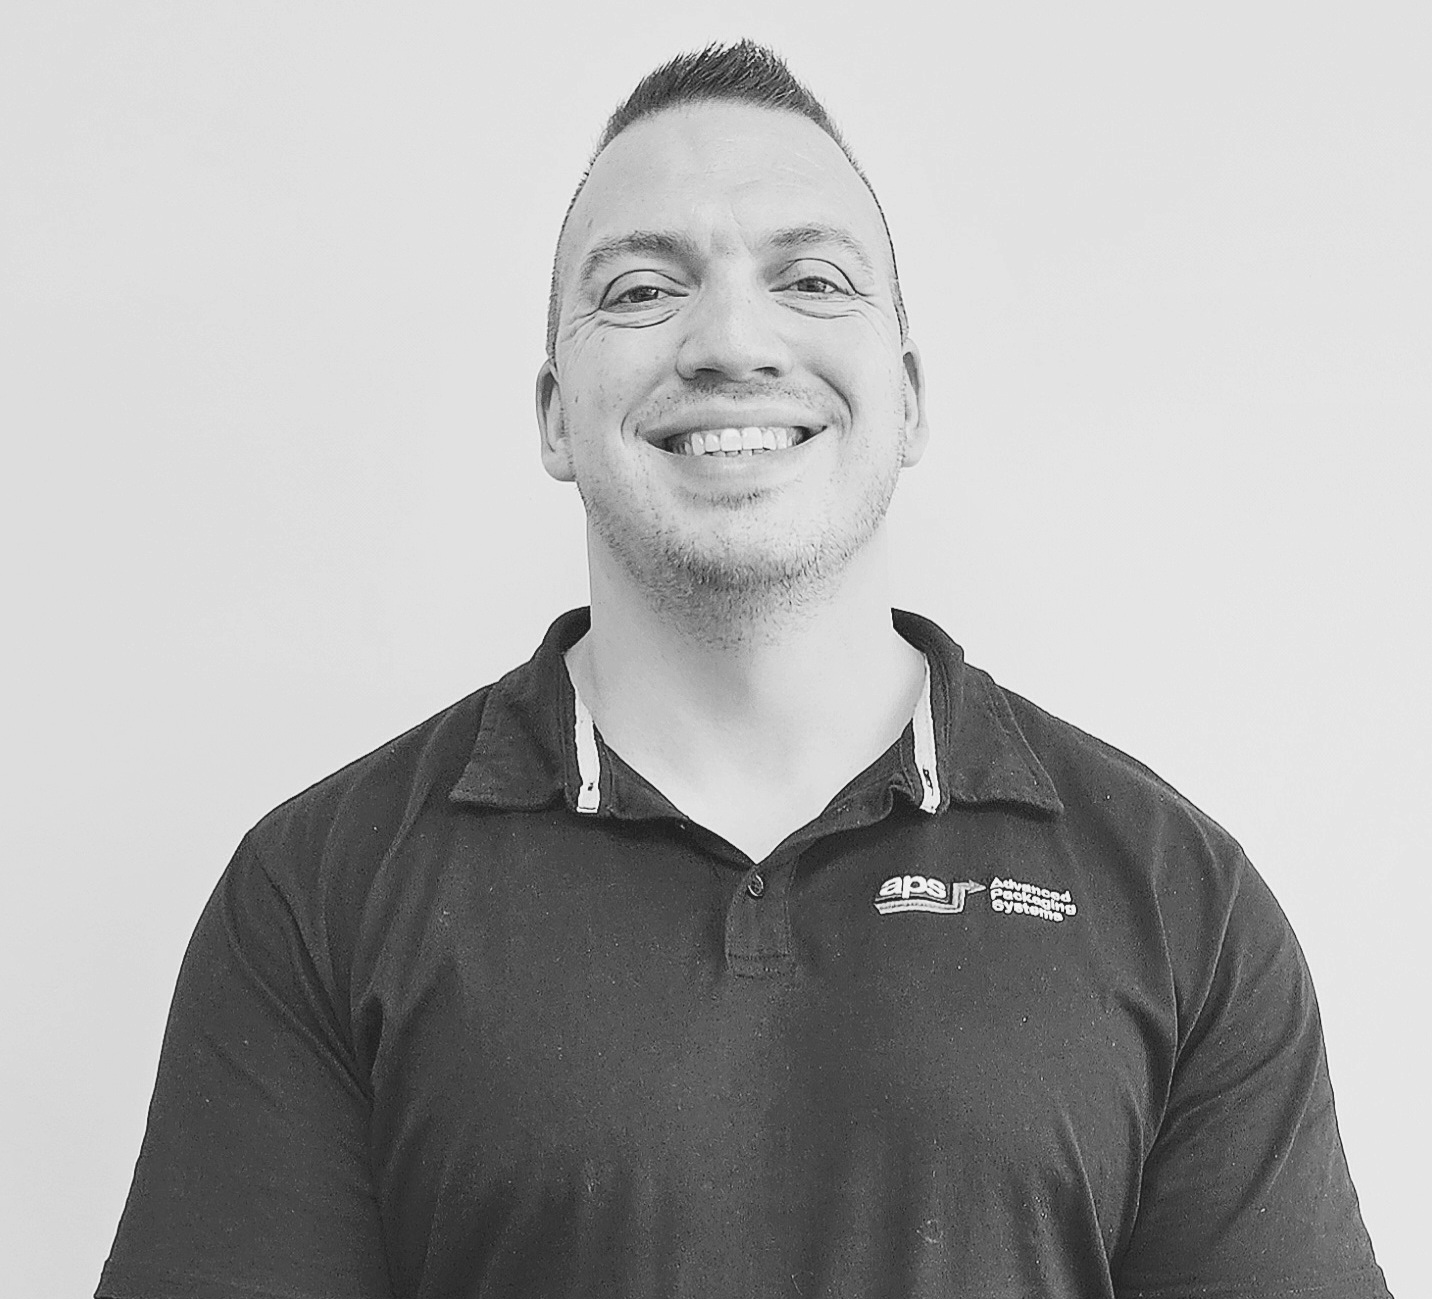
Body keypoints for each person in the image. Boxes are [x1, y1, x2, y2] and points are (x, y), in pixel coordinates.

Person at [98, 40, 1392, 1299]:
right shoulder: (317, 896)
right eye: (644, 289)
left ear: (910, 397)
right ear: (555, 416)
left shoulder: (1176, 899)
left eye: (814, 282)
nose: (730, 339)